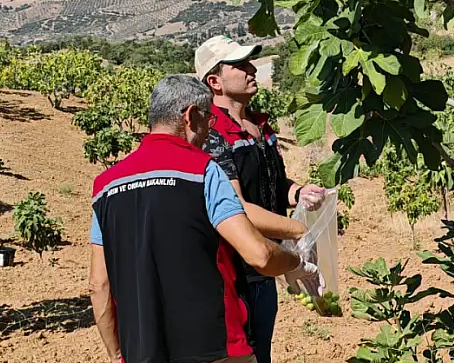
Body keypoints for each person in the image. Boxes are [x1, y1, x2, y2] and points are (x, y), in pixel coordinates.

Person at [88, 74, 322, 363]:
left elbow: (99, 285)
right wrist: (297, 263)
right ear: (190, 116)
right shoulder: (203, 171)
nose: (209, 132)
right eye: (209, 120)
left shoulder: (105, 186)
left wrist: (116, 354)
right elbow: (259, 254)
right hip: (216, 348)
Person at [196, 35, 328, 363]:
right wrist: (297, 232)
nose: (252, 69)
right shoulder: (213, 135)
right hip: (237, 272)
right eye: (240, 65)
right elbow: (236, 207)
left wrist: (297, 192)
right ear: (215, 81)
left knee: (261, 353)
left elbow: (271, 181)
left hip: (265, 266)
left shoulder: (259, 126)